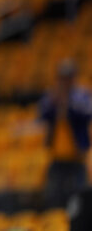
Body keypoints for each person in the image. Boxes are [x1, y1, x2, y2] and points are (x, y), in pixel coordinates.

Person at [39, 59, 92, 208]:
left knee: (79, 198)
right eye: (62, 77)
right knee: (54, 197)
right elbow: (42, 114)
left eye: (68, 77)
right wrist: (56, 103)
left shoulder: (81, 96)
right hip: (57, 157)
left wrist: (67, 104)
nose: (65, 81)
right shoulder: (52, 96)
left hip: (77, 156)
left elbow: (86, 114)